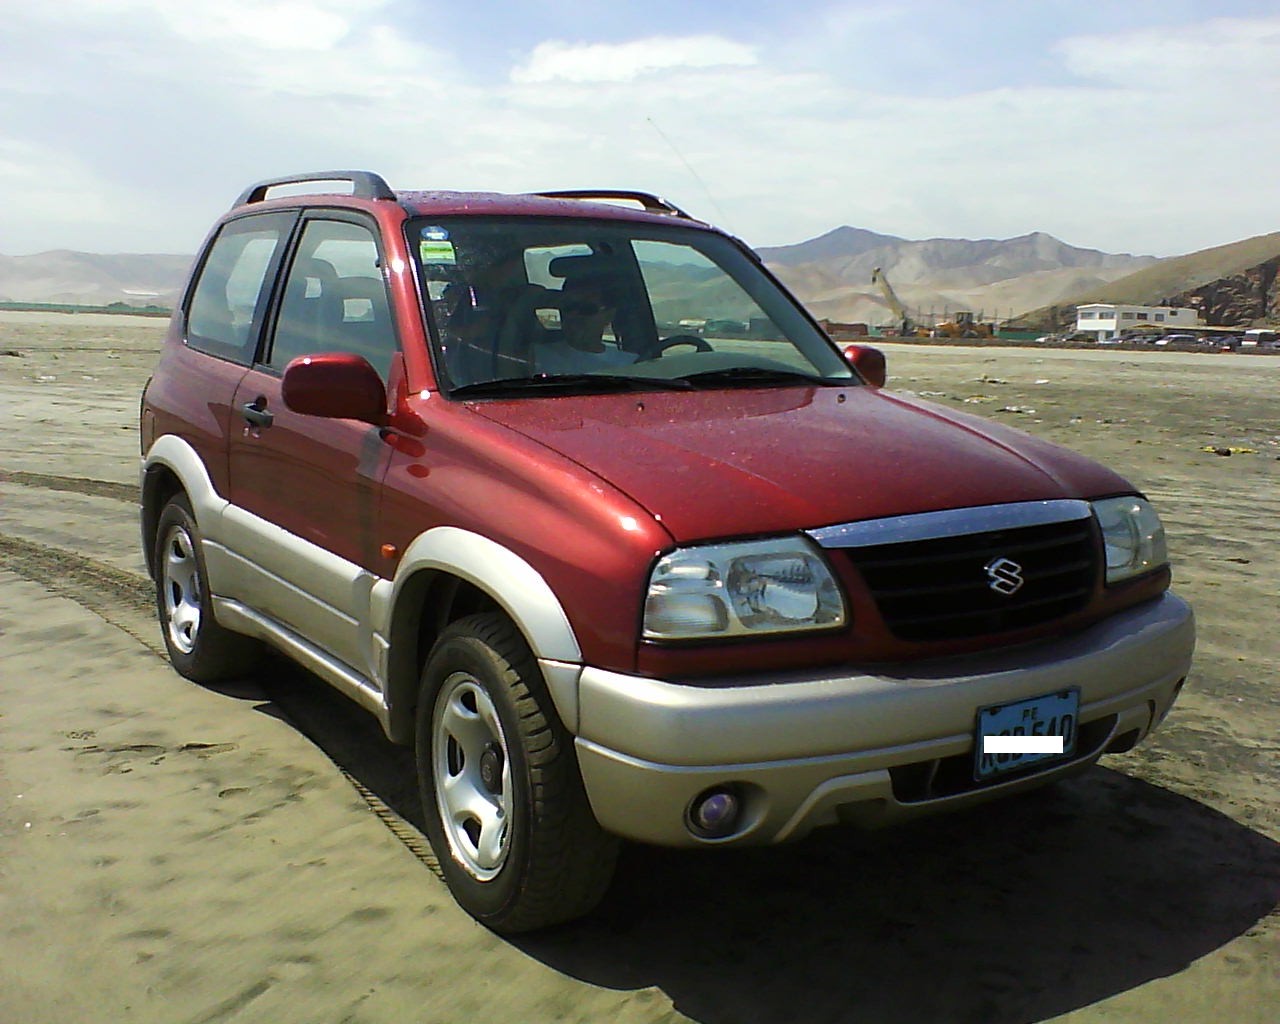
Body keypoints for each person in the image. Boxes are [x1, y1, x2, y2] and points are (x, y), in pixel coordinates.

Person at [534, 276, 639, 376]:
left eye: (587, 309)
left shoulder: (630, 366)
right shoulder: (534, 358)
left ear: (609, 315)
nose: (573, 315)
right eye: (568, 306)